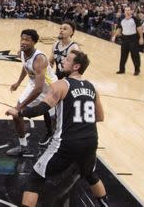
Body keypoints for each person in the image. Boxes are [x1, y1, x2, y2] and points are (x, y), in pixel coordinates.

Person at [6, 50, 108, 207]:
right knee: (89, 174)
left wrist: (19, 112)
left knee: (35, 179)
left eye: (67, 59)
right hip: (90, 141)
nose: (63, 61)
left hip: (67, 143)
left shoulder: (61, 85)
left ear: (76, 66)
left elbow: (40, 109)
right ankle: (104, 204)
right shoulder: (92, 87)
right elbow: (100, 117)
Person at [7, 29, 57, 156]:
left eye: (27, 40)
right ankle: (23, 146)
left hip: (50, 89)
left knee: (55, 120)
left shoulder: (40, 59)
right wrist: (18, 83)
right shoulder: (23, 53)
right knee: (17, 115)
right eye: (22, 39)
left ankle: (56, 140)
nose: (23, 42)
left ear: (34, 42)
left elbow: (40, 89)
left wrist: (20, 107)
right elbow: (25, 67)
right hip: (34, 85)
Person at [43, 21, 80, 146]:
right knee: (47, 105)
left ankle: (64, 136)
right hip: (57, 79)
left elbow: (78, 67)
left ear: (72, 32)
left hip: (69, 81)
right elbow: (50, 62)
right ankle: (50, 133)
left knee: (65, 110)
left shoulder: (74, 48)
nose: (61, 30)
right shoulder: (55, 45)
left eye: (65, 28)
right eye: (60, 28)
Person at [111, 6, 144, 75]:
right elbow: (119, 29)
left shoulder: (134, 19)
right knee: (123, 55)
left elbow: (139, 28)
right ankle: (122, 69)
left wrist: (141, 38)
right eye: (126, 10)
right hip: (125, 39)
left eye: (129, 10)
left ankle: (137, 70)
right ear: (124, 12)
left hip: (133, 39)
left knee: (134, 55)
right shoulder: (122, 20)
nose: (127, 12)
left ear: (131, 11)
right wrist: (114, 36)